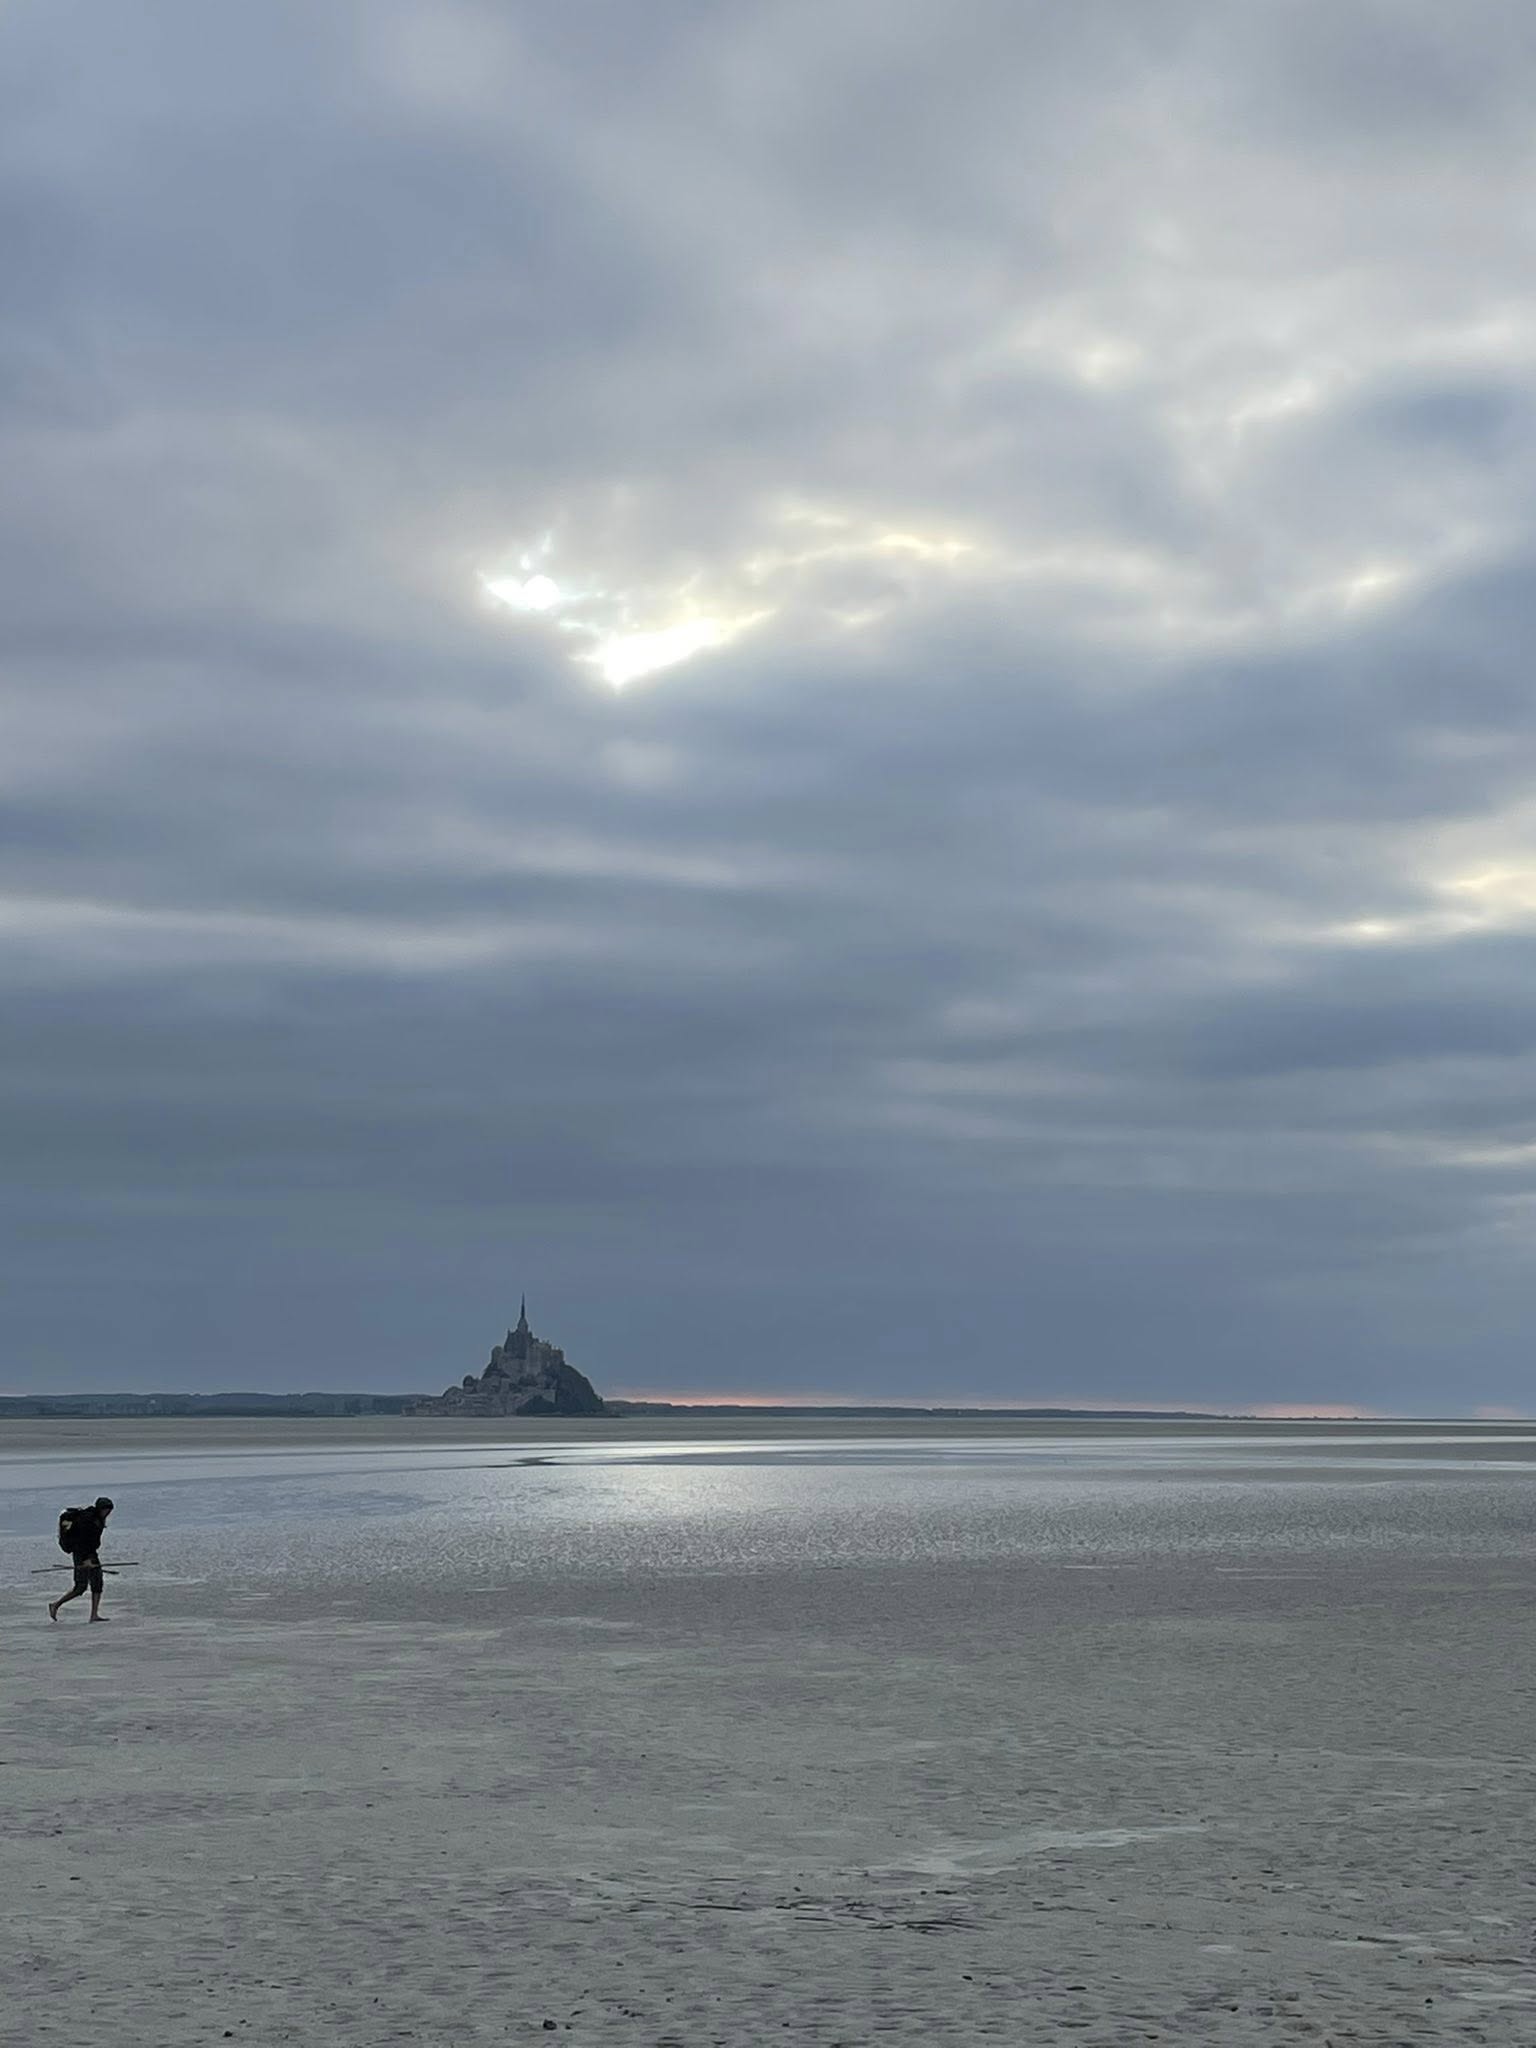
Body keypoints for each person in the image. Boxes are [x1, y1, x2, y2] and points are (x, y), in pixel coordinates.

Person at [48, 1496, 115, 1623]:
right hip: (82, 1554)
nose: (108, 1513)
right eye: (107, 1510)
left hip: (90, 1553)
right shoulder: (89, 1520)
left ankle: (94, 1615)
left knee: (97, 1583)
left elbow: (93, 1542)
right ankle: (55, 1605)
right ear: (101, 1509)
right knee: (80, 1587)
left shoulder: (97, 1519)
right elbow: (83, 1541)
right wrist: (86, 1560)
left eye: (109, 1510)